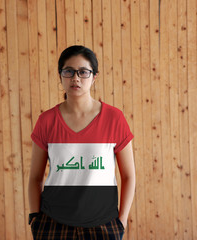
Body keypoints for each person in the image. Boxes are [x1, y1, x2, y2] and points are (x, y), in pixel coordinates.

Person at [28, 45, 136, 240]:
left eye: (83, 72)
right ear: (60, 76)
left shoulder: (114, 118)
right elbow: (35, 177)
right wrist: (35, 218)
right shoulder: (47, 121)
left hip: (103, 225)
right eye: (68, 71)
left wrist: (122, 221)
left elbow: (128, 176)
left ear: (94, 77)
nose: (75, 78)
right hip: (53, 224)